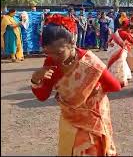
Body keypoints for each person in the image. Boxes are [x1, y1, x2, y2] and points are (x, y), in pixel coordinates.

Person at [30, 14, 121, 156]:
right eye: (48, 53)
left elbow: (115, 86)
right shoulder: (50, 63)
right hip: (70, 122)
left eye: (58, 53)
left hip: (92, 122)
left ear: (72, 43)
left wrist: (91, 91)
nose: (53, 58)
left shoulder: (90, 62)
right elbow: (43, 96)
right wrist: (35, 80)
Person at [106, 16, 133, 87]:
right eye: (129, 28)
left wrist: (110, 43)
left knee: (115, 65)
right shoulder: (125, 34)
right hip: (120, 52)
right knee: (120, 65)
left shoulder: (117, 31)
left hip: (112, 51)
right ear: (127, 27)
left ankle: (112, 78)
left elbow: (109, 40)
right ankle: (119, 80)